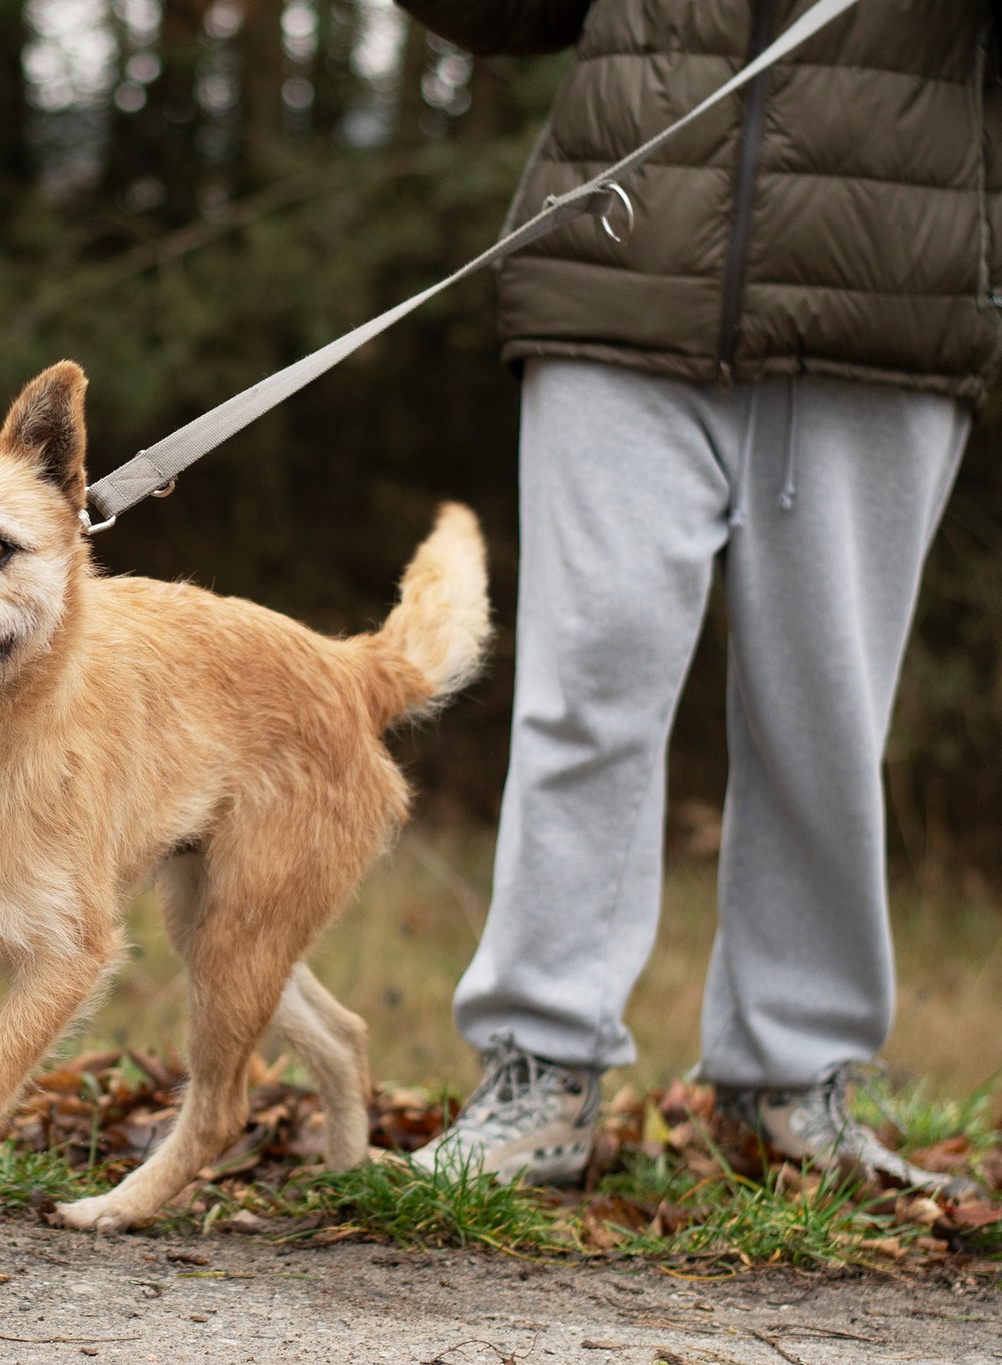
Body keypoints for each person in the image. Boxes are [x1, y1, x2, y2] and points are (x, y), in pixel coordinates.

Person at [394, 0, 997, 1189]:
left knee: (824, 715)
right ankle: (540, 1071)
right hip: (616, 275)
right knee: (586, 682)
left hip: (887, 298)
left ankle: (790, 1085)